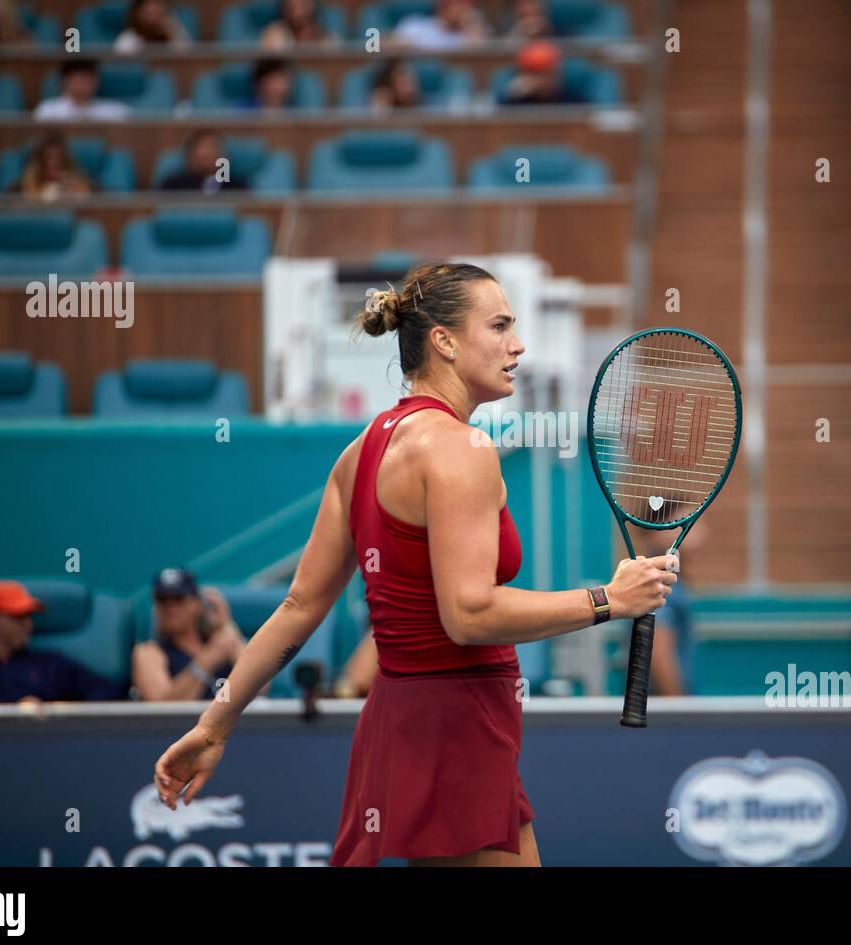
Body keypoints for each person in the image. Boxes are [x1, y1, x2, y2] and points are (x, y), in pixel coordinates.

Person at [153, 262, 676, 867]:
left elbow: (299, 607)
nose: (518, 344)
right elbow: (470, 614)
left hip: (401, 724)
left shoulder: (362, 451)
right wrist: (611, 599)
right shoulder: (462, 449)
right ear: (444, 342)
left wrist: (215, 725)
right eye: (501, 325)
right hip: (456, 728)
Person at [0, 580, 122, 704]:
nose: (28, 625)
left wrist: (57, 710)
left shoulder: (50, 664)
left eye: (29, 616)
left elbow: (109, 691)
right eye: (17, 617)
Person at [132, 568, 257, 702]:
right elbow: (162, 709)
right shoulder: (149, 652)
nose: (170, 607)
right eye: (162, 600)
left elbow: (260, 686)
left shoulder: (225, 644)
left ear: (196, 603)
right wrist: (209, 658)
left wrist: (227, 625)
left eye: (178, 599)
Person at [627, 508, 707, 696]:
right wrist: (678, 709)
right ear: (658, 531)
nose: (703, 532)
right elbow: (658, 654)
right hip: (665, 713)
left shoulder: (670, 581)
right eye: (692, 524)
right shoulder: (657, 585)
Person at [34, 61, 130, 122]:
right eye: (78, 80)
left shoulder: (114, 111)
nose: (83, 85)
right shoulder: (47, 111)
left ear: (96, 81)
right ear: (65, 81)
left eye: (88, 80)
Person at [500, 41, 587, 106]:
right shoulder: (517, 96)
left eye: (548, 72)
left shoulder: (574, 89)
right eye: (536, 73)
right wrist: (511, 94)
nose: (543, 79)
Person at [159, 129, 248, 192]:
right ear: (191, 154)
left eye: (215, 146)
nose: (211, 152)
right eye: (205, 147)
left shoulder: (237, 187)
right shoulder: (172, 186)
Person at [13, 133, 93, 201]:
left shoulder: (80, 182)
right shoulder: (22, 185)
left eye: (59, 158)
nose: (54, 162)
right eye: (48, 157)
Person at [392, 0, 490, 50]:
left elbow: (478, 60)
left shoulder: (470, 33)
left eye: (469, 4)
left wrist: (471, 25)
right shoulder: (414, 25)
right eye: (459, 3)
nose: (464, 8)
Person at [114, 0, 191, 53]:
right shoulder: (128, 39)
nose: (155, 11)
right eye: (148, 12)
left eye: (158, 5)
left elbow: (188, 59)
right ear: (138, 13)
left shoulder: (172, 33)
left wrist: (172, 32)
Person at [260, 0, 339, 47]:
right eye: (291, 5)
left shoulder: (327, 39)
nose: (297, 10)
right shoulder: (273, 34)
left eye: (302, 4)